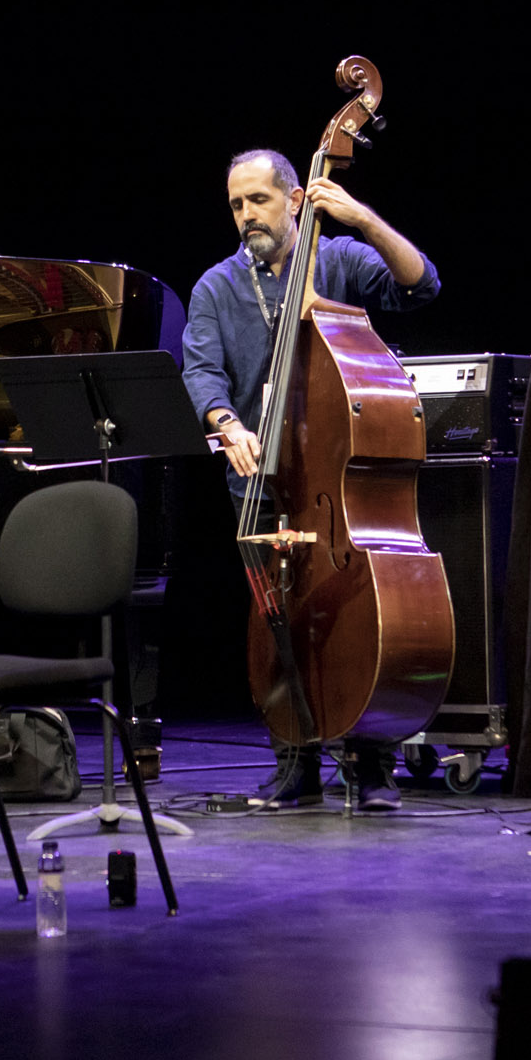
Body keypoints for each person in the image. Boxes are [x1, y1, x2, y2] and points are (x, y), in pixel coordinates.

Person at [180, 147, 442, 810]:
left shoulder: (339, 261)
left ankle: (372, 762)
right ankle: (293, 760)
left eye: (258, 200)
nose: (246, 215)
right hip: (262, 485)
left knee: (361, 615)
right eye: (236, 204)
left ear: (295, 200)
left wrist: (362, 218)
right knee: (281, 625)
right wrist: (226, 423)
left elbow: (421, 284)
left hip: (337, 487)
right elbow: (202, 370)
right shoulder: (216, 286)